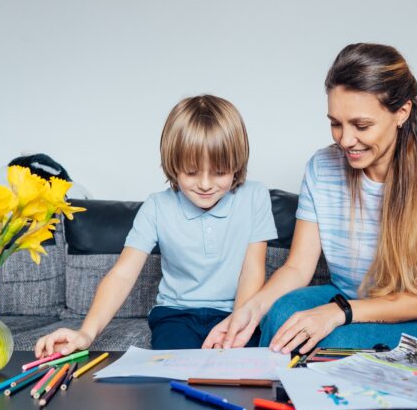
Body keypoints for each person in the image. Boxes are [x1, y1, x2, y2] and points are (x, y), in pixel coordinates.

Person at [203, 43, 417, 355]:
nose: (345, 140)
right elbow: (297, 269)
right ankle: (263, 398)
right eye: (335, 123)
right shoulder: (322, 167)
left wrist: (338, 313)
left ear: (402, 112)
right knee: (278, 314)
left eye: (361, 125)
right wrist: (249, 311)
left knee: (330, 343)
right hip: (345, 296)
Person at [34, 95, 277, 356]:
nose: (205, 184)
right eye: (192, 172)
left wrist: (234, 327)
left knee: (243, 365)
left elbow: (252, 271)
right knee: (176, 371)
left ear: (236, 164)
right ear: (173, 165)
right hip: (176, 314)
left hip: (237, 312)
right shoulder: (156, 207)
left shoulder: (255, 196)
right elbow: (122, 275)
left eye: (219, 172)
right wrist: (86, 332)